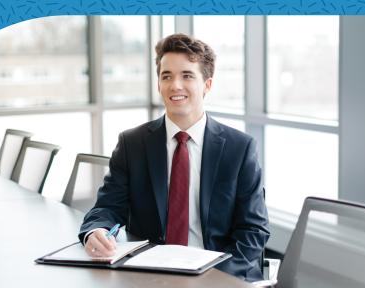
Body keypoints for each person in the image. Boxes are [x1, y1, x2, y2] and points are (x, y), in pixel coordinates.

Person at [78, 33, 270, 281]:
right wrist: (96, 231)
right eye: (166, 76)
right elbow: (107, 207)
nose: (175, 85)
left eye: (187, 75)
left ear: (207, 85)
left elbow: (253, 229)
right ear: (158, 84)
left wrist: (217, 278)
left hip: (216, 276)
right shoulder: (132, 144)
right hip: (148, 276)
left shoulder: (240, 148)